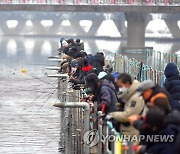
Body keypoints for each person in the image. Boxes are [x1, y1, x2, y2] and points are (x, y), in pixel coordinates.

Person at [109, 73, 146, 137]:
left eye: (120, 86)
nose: (120, 89)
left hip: (133, 134)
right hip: (128, 132)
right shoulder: (130, 95)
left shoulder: (136, 98)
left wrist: (112, 115)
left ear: (127, 84)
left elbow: (128, 115)